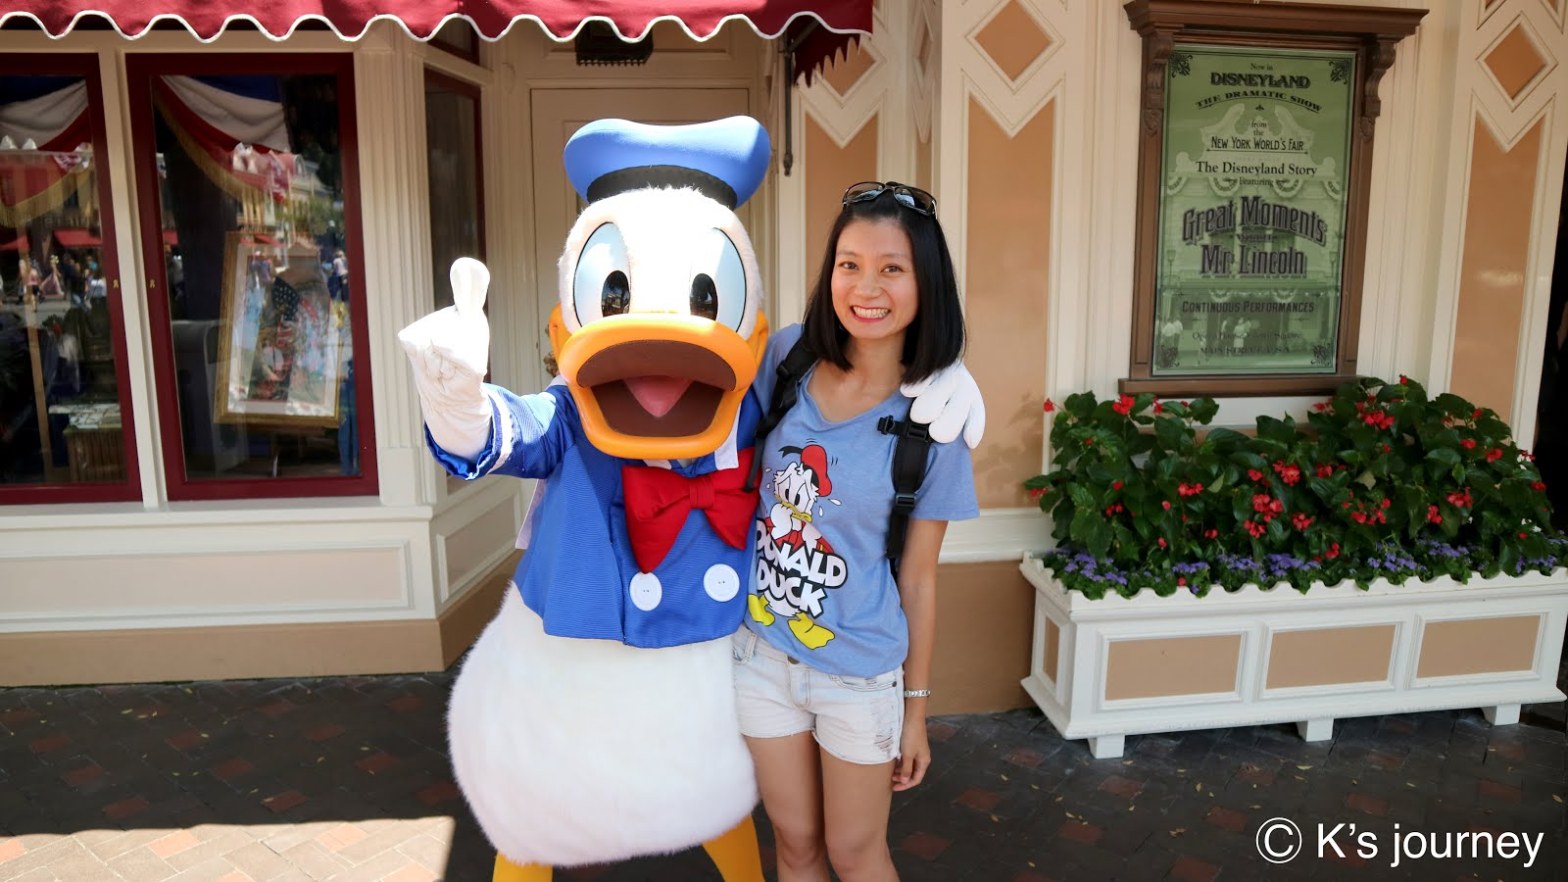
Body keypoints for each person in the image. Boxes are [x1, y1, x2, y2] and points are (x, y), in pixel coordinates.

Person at [734, 180, 979, 882]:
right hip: (761, 654)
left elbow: (919, 580)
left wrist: (915, 711)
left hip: (860, 672)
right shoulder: (788, 358)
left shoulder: (935, 422)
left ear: (925, 283)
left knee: (856, 852)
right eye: (850, 264)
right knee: (795, 846)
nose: (866, 287)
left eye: (891, 268)